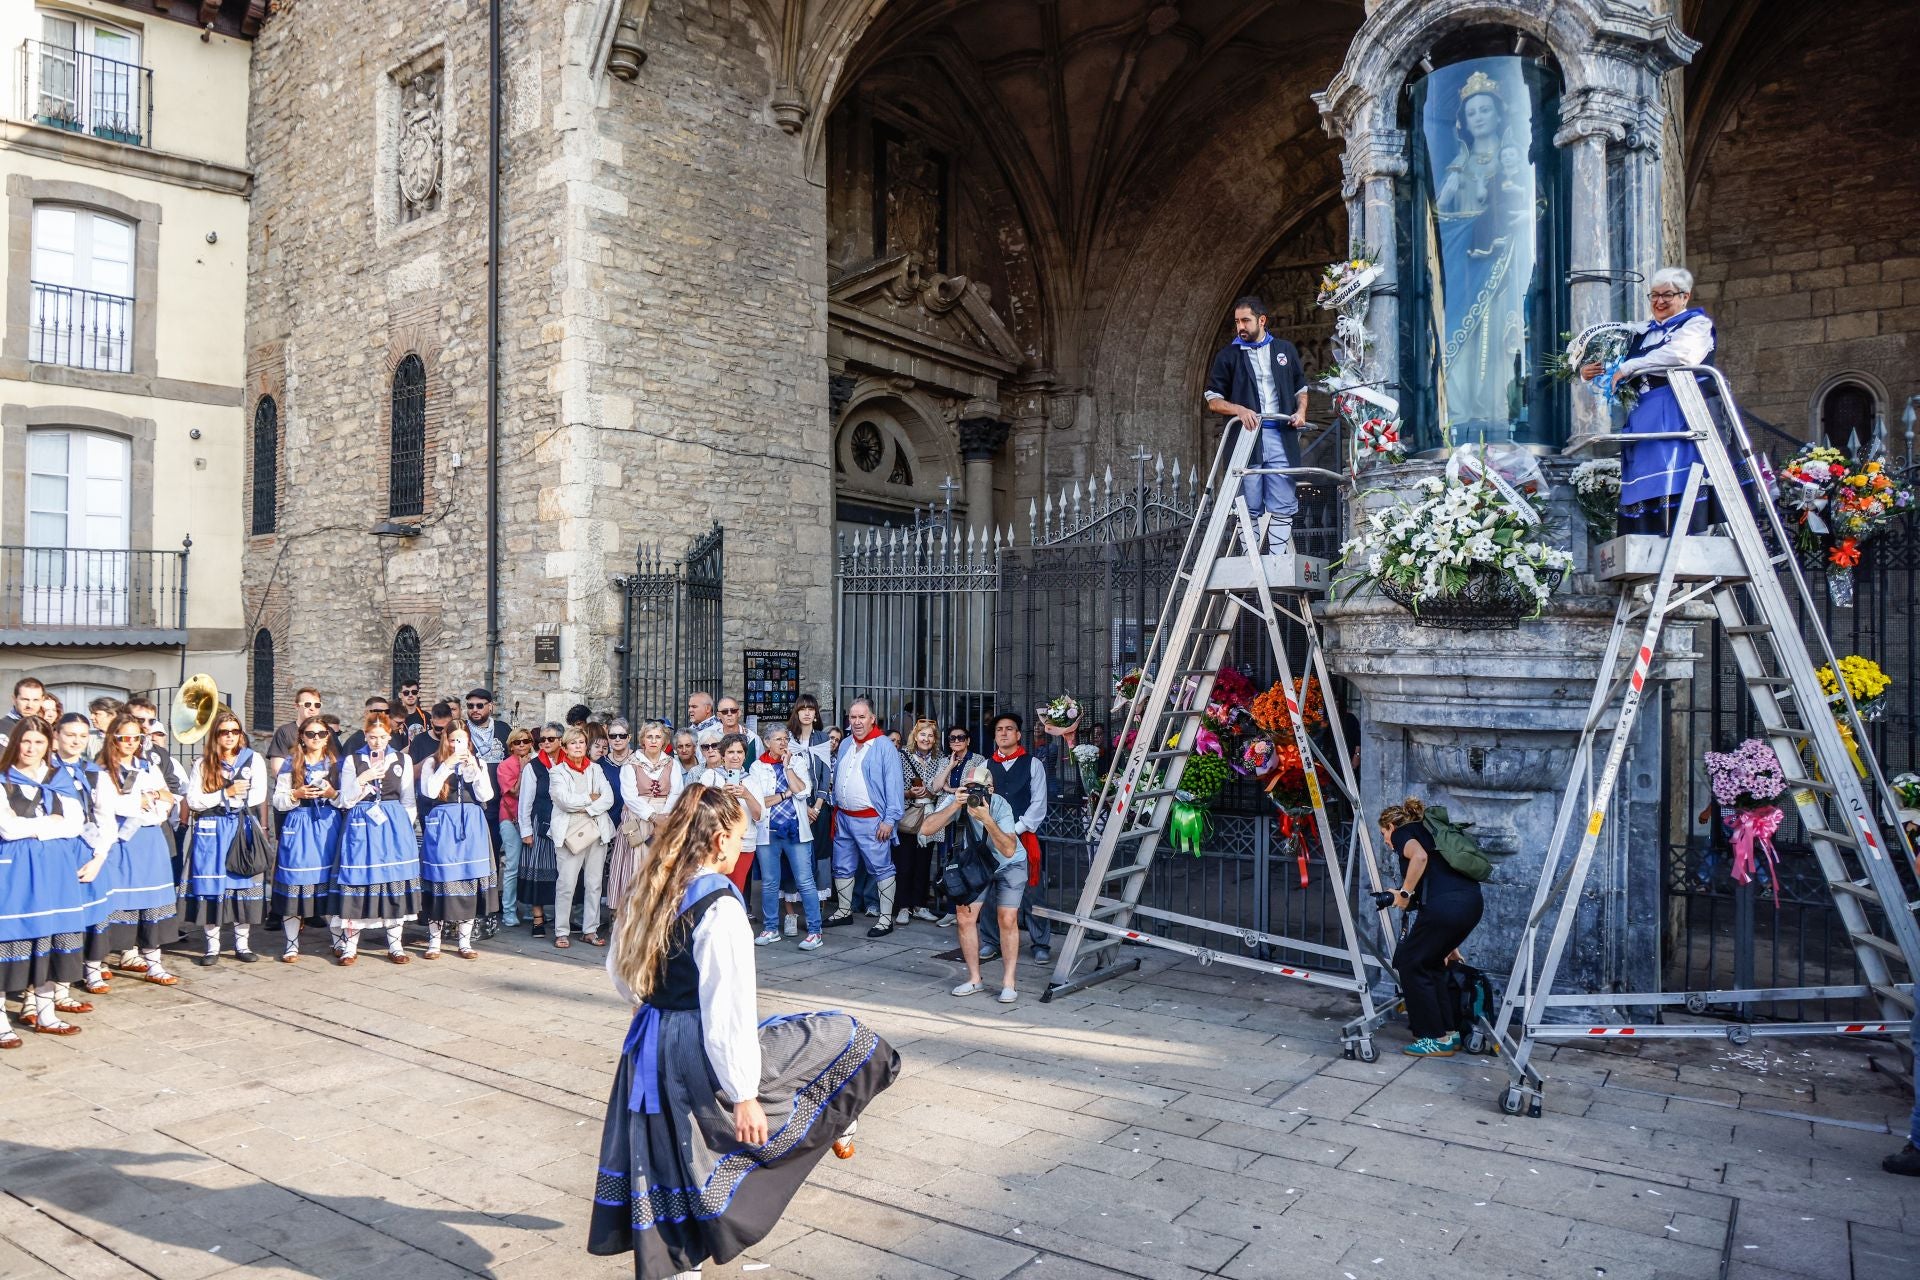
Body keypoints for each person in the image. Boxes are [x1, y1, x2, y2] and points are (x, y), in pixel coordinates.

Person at [588, 784, 899, 1279]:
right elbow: (726, 1008)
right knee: (845, 1036)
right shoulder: (720, 905)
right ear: (717, 842)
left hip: (650, 1038)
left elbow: (620, 972)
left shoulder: (650, 887)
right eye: (738, 835)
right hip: (696, 1042)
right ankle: (837, 1116)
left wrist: (648, 1005)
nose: (740, 845)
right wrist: (744, 1094)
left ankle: (675, 1264)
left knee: (669, 1150)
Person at [1581, 266, 1721, 536]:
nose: (1659, 301)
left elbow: (1682, 355)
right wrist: (1588, 371)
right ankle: (1650, 536)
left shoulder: (1696, 324)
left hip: (1678, 409)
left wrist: (1631, 366)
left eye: (1667, 295)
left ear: (1685, 297)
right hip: (1643, 413)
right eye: (1654, 295)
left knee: (1677, 474)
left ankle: (1688, 534)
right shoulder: (1640, 331)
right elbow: (1610, 362)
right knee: (1645, 480)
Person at [0, 716, 107, 1041]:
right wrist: (50, 823)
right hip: (15, 871)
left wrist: (33, 825)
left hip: (57, 872)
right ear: (16, 741)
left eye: (39, 743)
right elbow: (7, 827)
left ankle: (45, 1012)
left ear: (49, 746)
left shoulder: (58, 778)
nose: (31, 748)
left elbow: (75, 824)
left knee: (52, 938)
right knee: (10, 939)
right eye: (26, 741)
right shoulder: (4, 778)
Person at [1379, 796, 1484, 1057]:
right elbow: (1439, 885)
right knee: (1432, 962)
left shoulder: (1405, 833)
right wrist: (1451, 945)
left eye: (1383, 833)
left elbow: (1420, 857)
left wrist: (1403, 892)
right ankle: (1449, 1033)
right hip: (1469, 904)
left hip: (1447, 909)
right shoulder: (1430, 833)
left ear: (1392, 826)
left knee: (1410, 962)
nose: (1385, 841)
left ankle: (1433, 1036)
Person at [1204, 294, 1310, 552]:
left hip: (1281, 438)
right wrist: (1239, 409)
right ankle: (1252, 561)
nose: (1240, 327)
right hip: (1246, 439)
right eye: (1237, 321)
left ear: (1262, 320)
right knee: (1247, 502)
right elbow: (1212, 399)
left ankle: (1275, 560)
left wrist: (1301, 412)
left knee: (1283, 501)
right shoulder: (1228, 355)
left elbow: (1301, 389)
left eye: (1246, 321)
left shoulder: (1285, 350)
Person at [919, 763, 1027, 1004]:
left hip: (1010, 864)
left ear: (990, 788)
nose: (972, 794)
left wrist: (987, 819)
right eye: (968, 788)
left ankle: (1009, 982)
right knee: (965, 918)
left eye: (978, 789)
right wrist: (955, 804)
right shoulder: (959, 801)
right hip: (978, 865)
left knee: (1007, 919)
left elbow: (1009, 850)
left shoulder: (1000, 804)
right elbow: (926, 828)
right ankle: (974, 978)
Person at [91, 711, 182, 986]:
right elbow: (108, 805)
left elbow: (167, 799)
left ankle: (153, 962)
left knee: (152, 904)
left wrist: (152, 799)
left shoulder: (147, 767)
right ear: (113, 739)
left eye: (136, 737)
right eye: (125, 737)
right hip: (121, 842)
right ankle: (95, 965)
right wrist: (141, 800)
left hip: (150, 838)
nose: (131, 742)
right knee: (115, 904)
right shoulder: (103, 770)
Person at [330, 712, 422, 965]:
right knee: (359, 880)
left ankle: (395, 945)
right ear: (365, 736)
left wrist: (405, 827)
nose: (377, 742)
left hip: (392, 823)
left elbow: (408, 798)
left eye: (381, 737)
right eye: (372, 737)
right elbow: (345, 800)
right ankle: (350, 946)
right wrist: (363, 779)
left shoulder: (401, 759)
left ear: (389, 736)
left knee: (393, 880)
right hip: (361, 822)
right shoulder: (352, 760)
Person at [182, 710, 270, 966]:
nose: (230, 736)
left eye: (235, 731)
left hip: (241, 825)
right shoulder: (202, 763)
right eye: (224, 732)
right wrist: (226, 793)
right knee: (212, 886)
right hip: (211, 829)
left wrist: (224, 798)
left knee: (242, 883)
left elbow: (257, 796)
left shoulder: (253, 759)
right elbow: (194, 800)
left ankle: (242, 944)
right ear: (216, 736)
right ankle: (212, 946)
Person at [418, 720, 499, 960]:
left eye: (461, 740)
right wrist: (447, 766)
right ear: (445, 740)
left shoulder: (478, 762)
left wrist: (474, 768)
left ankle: (465, 941)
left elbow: (487, 795)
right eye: (452, 739)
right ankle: (434, 941)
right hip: (443, 822)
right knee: (441, 879)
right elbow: (429, 792)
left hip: (472, 823)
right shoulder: (432, 763)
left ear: (468, 742)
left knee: (468, 878)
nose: (456, 744)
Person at [824, 699, 903, 938]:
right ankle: (844, 910)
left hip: (872, 820)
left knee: (881, 867)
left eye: (861, 717)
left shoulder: (884, 746)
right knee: (842, 866)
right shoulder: (846, 742)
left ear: (872, 719)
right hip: (844, 818)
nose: (856, 722)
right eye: (852, 717)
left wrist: (890, 819)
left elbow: (894, 786)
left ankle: (886, 918)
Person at [268, 715, 343, 962]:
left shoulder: (337, 765)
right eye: (311, 734)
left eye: (321, 734)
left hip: (328, 824)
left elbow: (346, 800)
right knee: (295, 882)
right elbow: (277, 801)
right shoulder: (291, 764)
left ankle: (338, 941)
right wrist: (296, 794)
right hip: (299, 824)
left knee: (329, 884)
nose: (316, 738)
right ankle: (291, 944)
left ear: (327, 737)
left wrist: (333, 793)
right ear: (301, 736)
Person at [981, 713, 1053, 964]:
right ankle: (990, 941)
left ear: (1018, 735)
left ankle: (1040, 942)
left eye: (1009, 729)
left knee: (1033, 892)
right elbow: (981, 802)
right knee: (991, 890)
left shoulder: (1033, 764)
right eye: (999, 729)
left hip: (1023, 836)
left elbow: (1038, 804)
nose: (1003, 733)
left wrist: (1015, 828)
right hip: (993, 838)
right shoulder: (985, 767)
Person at [750, 725, 821, 950]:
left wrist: (788, 768)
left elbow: (802, 791)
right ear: (767, 742)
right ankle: (770, 928)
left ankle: (815, 931)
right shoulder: (757, 766)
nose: (783, 743)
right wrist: (785, 794)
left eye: (786, 739)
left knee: (805, 881)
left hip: (796, 831)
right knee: (770, 883)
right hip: (768, 831)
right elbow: (760, 800)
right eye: (778, 739)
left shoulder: (798, 761)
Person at [549, 724, 614, 949]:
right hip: (570, 833)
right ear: (565, 748)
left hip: (596, 830)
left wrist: (587, 808)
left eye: (581, 742)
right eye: (573, 743)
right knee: (566, 884)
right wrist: (590, 799)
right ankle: (562, 931)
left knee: (594, 883)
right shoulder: (557, 772)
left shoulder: (595, 769)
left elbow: (608, 798)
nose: (578, 746)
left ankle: (590, 930)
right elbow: (564, 801)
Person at [613, 721, 682, 915]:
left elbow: (677, 792)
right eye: (649, 737)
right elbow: (629, 795)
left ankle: (655, 914)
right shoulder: (631, 764)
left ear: (664, 741)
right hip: (638, 817)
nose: (653, 741)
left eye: (657, 737)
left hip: (665, 818)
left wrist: (664, 816)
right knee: (633, 867)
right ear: (642, 739)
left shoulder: (671, 764)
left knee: (660, 866)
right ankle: (629, 914)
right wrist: (652, 815)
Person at [698, 734, 764, 896]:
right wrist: (721, 795)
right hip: (715, 844)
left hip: (743, 844)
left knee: (735, 891)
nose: (735, 756)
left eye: (739, 752)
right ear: (723, 754)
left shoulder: (752, 781)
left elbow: (759, 817)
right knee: (713, 893)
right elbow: (700, 811)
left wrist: (747, 795)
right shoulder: (711, 776)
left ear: (744, 755)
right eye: (730, 752)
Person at [896, 718, 945, 925]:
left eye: (930, 736)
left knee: (924, 863)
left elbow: (943, 786)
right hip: (909, 813)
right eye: (922, 734)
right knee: (904, 863)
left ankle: (921, 905)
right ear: (915, 736)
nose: (926, 739)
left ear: (935, 740)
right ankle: (903, 907)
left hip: (930, 815)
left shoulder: (940, 759)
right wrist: (909, 792)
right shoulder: (902, 756)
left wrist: (932, 793)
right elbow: (893, 785)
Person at [519, 723, 563, 937]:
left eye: (550, 739)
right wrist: (526, 829)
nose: (545, 742)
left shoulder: (570, 763)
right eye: (542, 740)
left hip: (565, 825)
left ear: (560, 740)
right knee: (538, 872)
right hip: (540, 824)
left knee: (564, 874)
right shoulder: (533, 767)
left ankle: (563, 918)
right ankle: (538, 919)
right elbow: (525, 801)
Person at [495, 727, 534, 927]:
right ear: (511, 745)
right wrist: (522, 770)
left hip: (529, 820)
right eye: (517, 742)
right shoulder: (505, 766)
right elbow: (515, 793)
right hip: (509, 818)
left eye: (526, 741)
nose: (522, 745)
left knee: (530, 865)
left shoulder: (535, 763)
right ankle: (509, 910)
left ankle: (527, 907)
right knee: (512, 865)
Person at [269, 688, 326, 775]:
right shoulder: (285, 732)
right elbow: (277, 770)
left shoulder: (326, 732)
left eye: (317, 705)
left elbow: (335, 762)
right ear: (297, 706)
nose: (312, 708)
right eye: (307, 704)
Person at [0, 676, 47, 748]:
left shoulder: (43, 727)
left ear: (42, 700)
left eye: (35, 700)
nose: (30, 705)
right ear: (14, 699)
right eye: (25, 699)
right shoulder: (3, 727)